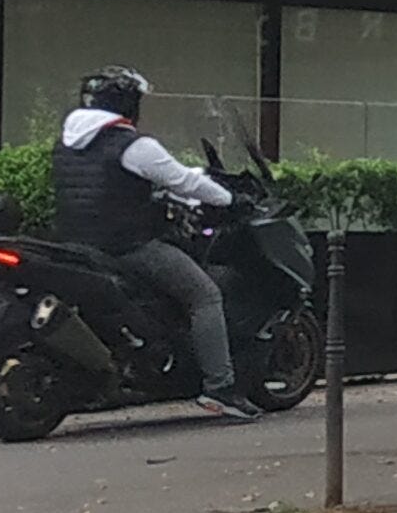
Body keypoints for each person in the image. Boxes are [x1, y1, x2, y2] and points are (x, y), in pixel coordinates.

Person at [54, 66, 260, 419]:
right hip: (128, 246)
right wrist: (230, 200)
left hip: (78, 245)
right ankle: (220, 387)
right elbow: (185, 182)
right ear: (128, 104)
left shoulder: (66, 144)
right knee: (205, 295)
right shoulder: (134, 145)